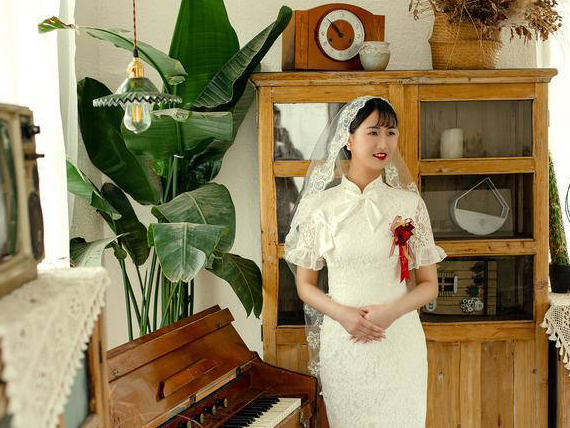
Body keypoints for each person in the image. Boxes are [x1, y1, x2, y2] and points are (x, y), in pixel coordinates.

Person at [283, 95, 447, 427]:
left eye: (390, 132)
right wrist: (343, 315)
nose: (383, 143)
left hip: (399, 342)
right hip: (344, 343)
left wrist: (392, 312)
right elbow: (305, 286)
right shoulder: (319, 208)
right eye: (373, 132)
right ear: (348, 138)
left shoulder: (409, 205)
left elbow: (429, 285)